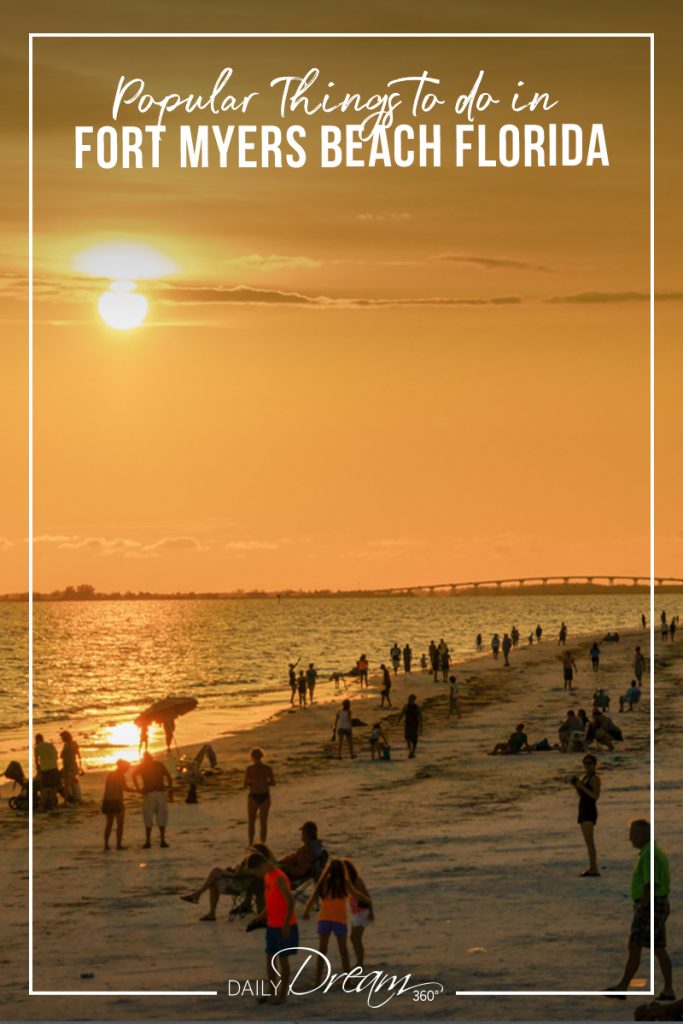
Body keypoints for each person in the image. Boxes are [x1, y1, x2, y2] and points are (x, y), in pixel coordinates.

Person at [607, 819, 675, 1001]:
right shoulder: (653, 852)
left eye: (632, 835)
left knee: (635, 946)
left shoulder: (649, 854)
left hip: (650, 905)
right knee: (659, 948)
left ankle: (623, 986)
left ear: (642, 835)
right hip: (659, 903)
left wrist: (642, 905)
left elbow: (650, 884)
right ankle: (668, 990)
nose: (630, 839)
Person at [246, 850, 298, 1005]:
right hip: (272, 925)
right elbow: (272, 902)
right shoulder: (268, 877)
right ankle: (272, 990)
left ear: (262, 865)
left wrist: (287, 923)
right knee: (270, 959)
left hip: (284, 925)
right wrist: (260, 916)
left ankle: (283, 994)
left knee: (283, 961)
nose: (257, 875)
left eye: (256, 872)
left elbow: (291, 901)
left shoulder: (279, 878)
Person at [181, 841, 272, 921]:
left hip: (240, 886)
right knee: (214, 880)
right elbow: (239, 872)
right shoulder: (255, 862)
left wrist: (226, 874)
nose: (250, 852)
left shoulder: (256, 864)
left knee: (216, 872)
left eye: (252, 851)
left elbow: (239, 876)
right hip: (238, 882)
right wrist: (230, 871)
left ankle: (198, 896)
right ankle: (207, 908)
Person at [303, 859, 358, 985]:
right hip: (339, 920)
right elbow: (355, 894)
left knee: (322, 950)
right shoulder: (344, 882)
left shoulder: (323, 882)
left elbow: (313, 897)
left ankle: (318, 980)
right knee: (343, 951)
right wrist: (366, 901)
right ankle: (347, 980)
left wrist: (306, 911)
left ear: (329, 870)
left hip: (324, 919)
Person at [131, 751, 174, 848]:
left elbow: (134, 775)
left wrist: (139, 789)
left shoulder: (147, 765)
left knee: (153, 817)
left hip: (154, 792)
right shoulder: (155, 765)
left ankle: (153, 840)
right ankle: (156, 840)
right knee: (155, 817)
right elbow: (168, 777)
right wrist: (170, 790)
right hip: (154, 793)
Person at [571, 753, 601, 876]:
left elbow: (595, 796)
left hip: (589, 809)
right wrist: (577, 786)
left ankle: (594, 868)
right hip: (583, 808)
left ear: (594, 765)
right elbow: (582, 794)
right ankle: (592, 867)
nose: (587, 766)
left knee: (590, 841)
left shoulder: (595, 778)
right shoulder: (585, 777)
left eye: (590, 763)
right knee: (587, 840)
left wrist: (582, 787)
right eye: (585, 763)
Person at [343, 859, 374, 967]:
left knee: (356, 938)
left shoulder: (356, 880)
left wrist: (371, 912)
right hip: (355, 912)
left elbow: (367, 896)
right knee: (354, 938)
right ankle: (359, 962)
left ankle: (360, 963)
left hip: (362, 911)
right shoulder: (348, 881)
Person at [102, 759, 135, 851]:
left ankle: (106, 845)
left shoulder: (110, 774)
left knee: (109, 823)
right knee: (119, 824)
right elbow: (125, 788)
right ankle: (118, 845)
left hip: (107, 800)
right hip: (116, 801)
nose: (127, 770)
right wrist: (137, 791)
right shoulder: (120, 776)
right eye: (126, 768)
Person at [245, 747, 275, 845]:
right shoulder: (267, 768)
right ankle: (262, 843)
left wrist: (253, 782)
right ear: (261, 756)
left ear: (252, 757)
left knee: (251, 821)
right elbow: (273, 782)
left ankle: (250, 843)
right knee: (263, 822)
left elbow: (245, 784)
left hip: (253, 795)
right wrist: (264, 782)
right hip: (264, 795)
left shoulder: (249, 769)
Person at [34, 733, 60, 811]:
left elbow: (36, 761)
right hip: (54, 768)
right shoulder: (50, 745)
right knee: (53, 788)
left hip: (45, 769)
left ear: (37, 740)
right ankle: (52, 806)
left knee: (44, 788)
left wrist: (38, 770)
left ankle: (42, 806)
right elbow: (56, 756)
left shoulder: (37, 747)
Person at [59, 730, 83, 804]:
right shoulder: (74, 744)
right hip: (73, 765)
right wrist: (80, 766)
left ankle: (67, 800)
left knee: (67, 784)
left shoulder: (67, 745)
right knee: (72, 783)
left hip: (68, 766)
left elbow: (62, 756)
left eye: (62, 737)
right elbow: (79, 755)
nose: (61, 739)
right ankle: (75, 798)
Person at [397, 694, 422, 758]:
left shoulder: (417, 707)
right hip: (408, 724)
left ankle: (413, 751)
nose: (409, 700)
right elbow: (401, 714)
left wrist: (421, 727)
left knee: (414, 740)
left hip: (414, 725)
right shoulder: (406, 706)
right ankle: (410, 751)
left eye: (410, 699)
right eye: (408, 699)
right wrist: (398, 722)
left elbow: (420, 718)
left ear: (413, 700)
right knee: (407, 738)